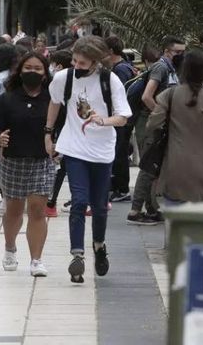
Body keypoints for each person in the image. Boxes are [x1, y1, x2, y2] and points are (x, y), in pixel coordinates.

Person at [46, 36, 131, 284]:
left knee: (100, 206)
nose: (76, 66)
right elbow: (54, 103)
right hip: (74, 147)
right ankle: (77, 255)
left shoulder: (110, 80)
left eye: (82, 63)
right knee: (79, 201)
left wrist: (103, 121)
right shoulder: (64, 78)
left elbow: (123, 117)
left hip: (102, 149)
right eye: (74, 61)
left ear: (96, 62)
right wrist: (48, 133)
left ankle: (99, 245)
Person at [0, 52, 55, 277]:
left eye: (37, 69)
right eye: (28, 68)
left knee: (37, 209)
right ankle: (10, 248)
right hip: (13, 160)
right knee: (14, 209)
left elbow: (63, 125)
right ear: (20, 71)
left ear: (45, 74)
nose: (32, 72)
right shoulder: (7, 99)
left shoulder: (52, 100)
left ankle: (36, 260)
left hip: (42, 160)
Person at [147, 50, 203, 204]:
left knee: (174, 211)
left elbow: (152, 124)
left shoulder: (169, 95)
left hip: (173, 163)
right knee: (200, 212)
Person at [127, 36, 185, 226]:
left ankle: (151, 208)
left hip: (155, 123)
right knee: (148, 166)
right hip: (149, 123)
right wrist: (162, 114)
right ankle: (135, 211)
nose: (181, 55)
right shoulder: (161, 67)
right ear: (167, 51)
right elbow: (147, 96)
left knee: (154, 167)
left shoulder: (171, 68)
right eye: (177, 52)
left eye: (183, 52)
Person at [105, 35, 137, 202]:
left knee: (120, 153)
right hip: (121, 117)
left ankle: (122, 188)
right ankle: (116, 185)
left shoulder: (120, 70)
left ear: (110, 51)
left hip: (122, 118)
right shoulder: (124, 67)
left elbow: (120, 95)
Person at [45, 50, 73, 217]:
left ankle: (51, 202)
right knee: (65, 167)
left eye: (53, 65)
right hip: (67, 134)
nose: (52, 68)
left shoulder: (59, 86)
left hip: (65, 133)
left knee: (64, 168)